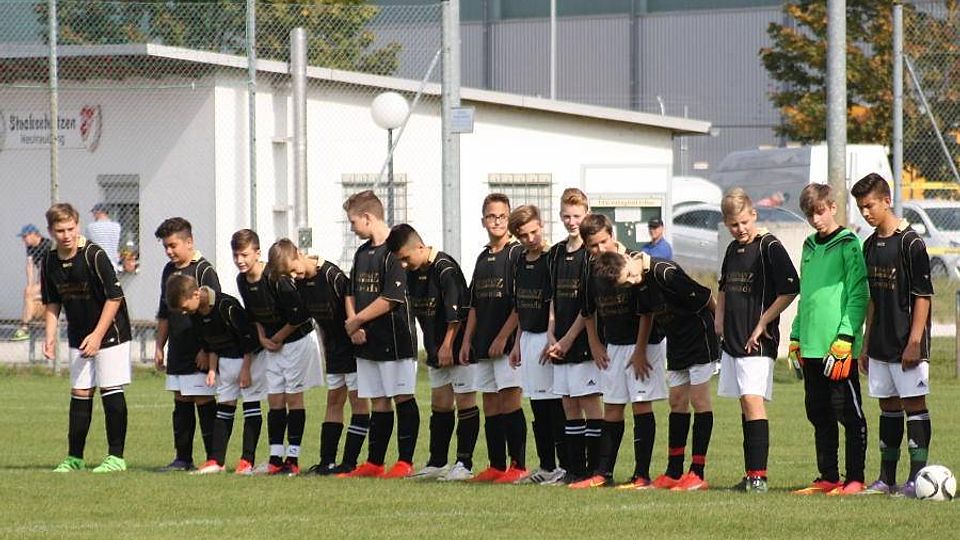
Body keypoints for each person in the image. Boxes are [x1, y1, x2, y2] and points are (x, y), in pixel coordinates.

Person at [592, 244, 719, 492]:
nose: (633, 281)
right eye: (627, 282)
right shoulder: (639, 282)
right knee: (676, 401)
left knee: (699, 400)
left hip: (699, 337)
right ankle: (674, 472)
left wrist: (720, 327)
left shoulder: (664, 271)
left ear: (626, 258)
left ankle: (697, 472)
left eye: (630, 275)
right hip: (676, 341)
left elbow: (705, 296)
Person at [852, 173, 933, 498]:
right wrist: (866, 344)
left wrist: (914, 342)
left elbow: (923, 296)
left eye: (870, 205)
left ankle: (916, 479)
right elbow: (872, 299)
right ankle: (886, 479)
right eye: (861, 207)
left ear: (887, 200)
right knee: (887, 406)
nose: (866, 212)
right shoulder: (870, 244)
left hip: (906, 343)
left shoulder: (911, 243)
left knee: (913, 404)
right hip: (881, 343)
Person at [571, 213, 667, 490]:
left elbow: (646, 312)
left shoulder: (633, 261)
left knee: (641, 405)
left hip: (643, 345)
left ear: (612, 235)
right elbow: (587, 311)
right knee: (612, 407)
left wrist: (640, 351)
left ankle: (642, 475)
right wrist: (595, 343)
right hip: (613, 345)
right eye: (593, 245)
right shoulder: (590, 268)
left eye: (603, 242)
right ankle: (603, 473)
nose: (600, 249)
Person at [789, 183, 870, 496]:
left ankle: (855, 478)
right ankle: (828, 476)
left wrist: (846, 336)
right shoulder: (809, 245)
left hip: (838, 346)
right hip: (811, 345)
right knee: (818, 412)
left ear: (833, 207)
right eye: (810, 215)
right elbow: (806, 294)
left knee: (848, 413)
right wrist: (796, 335)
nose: (816, 220)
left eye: (820, 212)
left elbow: (858, 293)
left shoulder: (848, 243)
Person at [716, 188, 799, 493]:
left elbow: (790, 288)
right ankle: (750, 473)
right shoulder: (731, 249)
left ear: (754, 214)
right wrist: (719, 318)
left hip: (758, 340)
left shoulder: (769, 246)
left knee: (753, 401)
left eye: (744, 222)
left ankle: (759, 477)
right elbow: (723, 285)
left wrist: (763, 322)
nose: (740, 229)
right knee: (744, 403)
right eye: (733, 225)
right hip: (734, 337)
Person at [267, 238, 370, 476]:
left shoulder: (332, 275)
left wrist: (356, 328)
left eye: (294, 270)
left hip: (352, 348)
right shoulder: (301, 283)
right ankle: (326, 462)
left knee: (357, 402)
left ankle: (349, 462)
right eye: (289, 275)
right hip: (333, 349)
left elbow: (353, 303)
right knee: (333, 401)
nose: (294, 276)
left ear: (299, 253)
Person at [386, 224, 480, 482]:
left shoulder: (445, 268)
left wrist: (449, 345)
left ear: (419, 246)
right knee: (440, 403)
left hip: (457, 349)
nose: (404, 264)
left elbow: (457, 313)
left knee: (465, 401)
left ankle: (464, 464)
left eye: (405, 258)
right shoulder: (414, 272)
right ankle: (437, 462)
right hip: (436, 349)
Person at [43, 203, 132, 473]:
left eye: (70, 229)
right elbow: (52, 302)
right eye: (60, 230)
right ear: (51, 231)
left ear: (78, 226)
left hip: (111, 331)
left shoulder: (94, 255)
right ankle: (75, 458)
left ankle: (116, 457)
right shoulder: (49, 260)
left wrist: (97, 335)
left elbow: (114, 298)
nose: (66, 235)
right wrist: (49, 336)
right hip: (79, 333)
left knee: (110, 388)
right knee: (80, 391)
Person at [338, 191, 421, 479]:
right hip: (366, 340)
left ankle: (405, 461)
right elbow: (350, 291)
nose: (352, 228)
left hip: (395, 339)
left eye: (353, 222)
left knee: (401, 396)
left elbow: (391, 298)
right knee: (378, 400)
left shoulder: (394, 250)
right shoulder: (362, 253)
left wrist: (357, 320)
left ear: (367, 217)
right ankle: (374, 462)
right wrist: (354, 324)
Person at [164, 273, 266, 475]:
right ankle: (216, 461)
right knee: (224, 409)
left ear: (196, 294)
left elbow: (249, 340)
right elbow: (210, 343)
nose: (184, 313)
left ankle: (247, 461)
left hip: (249, 361)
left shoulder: (226, 306)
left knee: (251, 407)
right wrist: (212, 369)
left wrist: (246, 369)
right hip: (226, 364)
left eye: (184, 307)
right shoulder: (195, 313)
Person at [239, 233, 322, 476]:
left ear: (257, 253)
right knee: (274, 399)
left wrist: (276, 338)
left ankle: (292, 460)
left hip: (296, 342)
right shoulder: (242, 280)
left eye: (244, 254)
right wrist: (263, 337)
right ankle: (275, 458)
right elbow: (253, 316)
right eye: (236, 255)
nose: (239, 260)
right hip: (273, 344)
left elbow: (300, 316)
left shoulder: (276, 278)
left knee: (293, 398)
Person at [458, 193, 527, 483]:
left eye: (502, 216)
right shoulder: (483, 256)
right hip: (483, 343)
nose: (497, 221)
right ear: (483, 220)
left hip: (506, 344)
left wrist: (503, 336)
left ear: (509, 219)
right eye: (491, 216)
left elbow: (521, 302)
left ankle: (518, 466)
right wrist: (466, 341)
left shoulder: (517, 253)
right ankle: (496, 466)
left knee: (510, 399)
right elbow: (474, 304)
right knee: (490, 403)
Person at [545, 188, 601, 484]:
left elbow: (588, 305)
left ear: (586, 214)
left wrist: (568, 339)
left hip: (581, 343)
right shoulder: (555, 253)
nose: (572, 221)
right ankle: (575, 469)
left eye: (577, 216)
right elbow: (553, 298)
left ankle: (596, 470)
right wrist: (551, 333)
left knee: (589, 402)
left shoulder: (591, 254)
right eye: (566, 216)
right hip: (559, 342)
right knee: (568, 403)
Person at [507, 206, 566, 485]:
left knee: (554, 405)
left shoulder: (552, 258)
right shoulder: (519, 260)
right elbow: (521, 305)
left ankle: (563, 466)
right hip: (528, 338)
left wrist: (551, 336)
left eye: (534, 232)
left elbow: (555, 302)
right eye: (524, 235)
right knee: (537, 406)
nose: (531, 239)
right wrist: (517, 343)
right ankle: (545, 466)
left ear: (541, 225)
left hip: (546, 338)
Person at [155, 217, 220, 472]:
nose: (169, 251)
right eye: (166, 247)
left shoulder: (204, 270)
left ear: (189, 242)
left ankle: (213, 458)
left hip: (199, 350)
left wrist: (207, 349)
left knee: (203, 399)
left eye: (173, 245)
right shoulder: (168, 271)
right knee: (181, 400)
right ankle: (182, 458)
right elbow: (164, 312)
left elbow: (214, 313)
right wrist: (159, 346)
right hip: (178, 348)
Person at [12, 224, 53, 342]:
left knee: (29, 292)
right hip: (43, 281)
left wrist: (38, 286)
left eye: (25, 237)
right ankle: (26, 326)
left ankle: (25, 326)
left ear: (34, 235)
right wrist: (31, 284)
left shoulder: (48, 245)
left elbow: (51, 269)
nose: (23, 240)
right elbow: (30, 266)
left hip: (52, 281)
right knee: (28, 292)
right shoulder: (30, 247)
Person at [86, 203, 121, 268]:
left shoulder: (91, 227)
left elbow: (88, 244)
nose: (93, 215)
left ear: (98, 212)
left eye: (94, 212)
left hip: (97, 261)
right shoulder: (117, 226)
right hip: (113, 261)